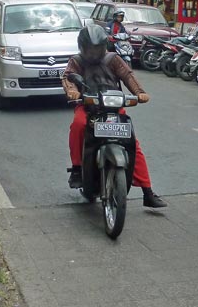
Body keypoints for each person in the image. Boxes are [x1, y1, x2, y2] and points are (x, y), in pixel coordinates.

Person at [61, 25, 167, 208]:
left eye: (97, 48)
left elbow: (128, 76)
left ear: (103, 46)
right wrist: (72, 92)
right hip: (88, 106)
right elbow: (68, 77)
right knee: (78, 125)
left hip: (113, 107)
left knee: (133, 143)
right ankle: (77, 169)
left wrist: (140, 92)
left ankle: (147, 191)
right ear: (82, 47)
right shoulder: (76, 61)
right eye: (90, 48)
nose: (93, 52)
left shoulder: (113, 59)